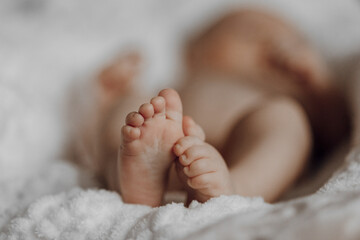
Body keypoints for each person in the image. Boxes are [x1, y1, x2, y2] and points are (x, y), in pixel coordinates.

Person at [73, 8, 349, 207]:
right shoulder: (179, 82)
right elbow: (92, 122)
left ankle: (234, 188)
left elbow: (337, 132)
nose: (272, 44)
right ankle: (130, 175)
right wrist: (115, 90)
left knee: (287, 118)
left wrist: (317, 82)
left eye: (293, 41)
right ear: (195, 51)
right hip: (168, 145)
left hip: (246, 147)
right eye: (248, 32)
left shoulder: (285, 92)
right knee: (133, 111)